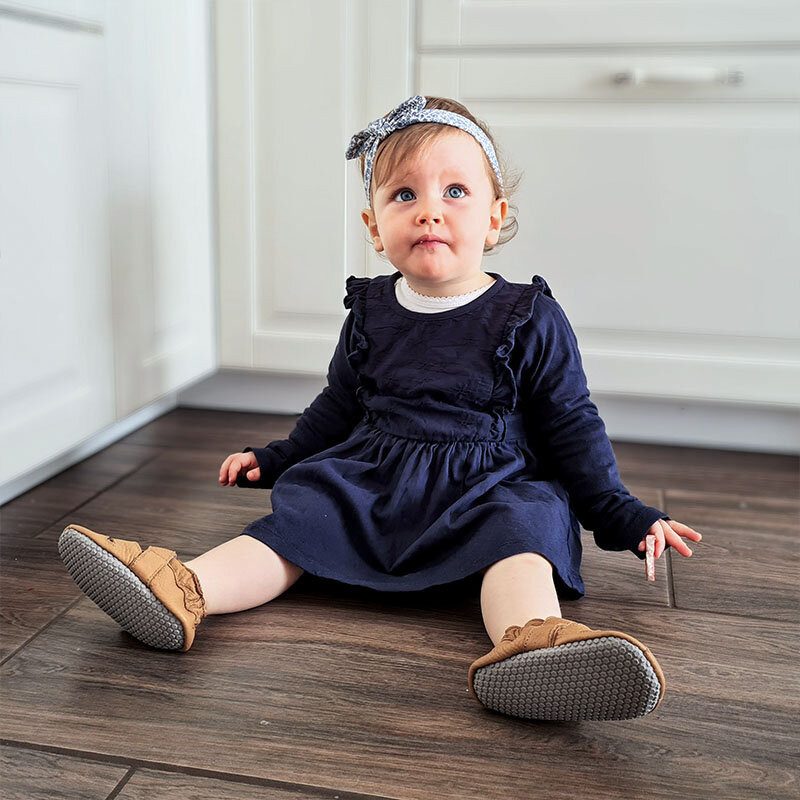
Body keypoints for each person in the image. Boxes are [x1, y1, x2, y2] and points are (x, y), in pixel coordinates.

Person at [59, 95, 703, 723]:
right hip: (376, 483)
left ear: (494, 216)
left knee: (524, 531)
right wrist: (279, 458)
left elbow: (571, 423)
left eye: (455, 191)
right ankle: (184, 589)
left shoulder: (529, 317)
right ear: (374, 227)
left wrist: (620, 512)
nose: (429, 212)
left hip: (488, 488)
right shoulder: (371, 312)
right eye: (404, 195)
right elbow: (338, 405)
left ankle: (533, 646)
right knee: (300, 519)